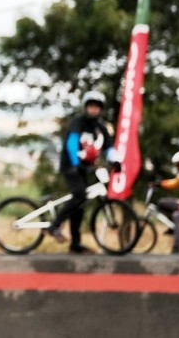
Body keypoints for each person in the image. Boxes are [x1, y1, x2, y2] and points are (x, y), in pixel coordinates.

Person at [46, 90, 119, 254]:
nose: (93, 110)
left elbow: (109, 148)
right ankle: (54, 225)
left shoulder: (100, 128)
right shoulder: (78, 123)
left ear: (100, 109)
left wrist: (116, 161)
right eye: (91, 106)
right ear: (85, 107)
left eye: (96, 107)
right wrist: (75, 163)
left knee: (79, 206)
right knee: (80, 195)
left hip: (84, 169)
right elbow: (72, 144)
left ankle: (75, 243)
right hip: (71, 167)